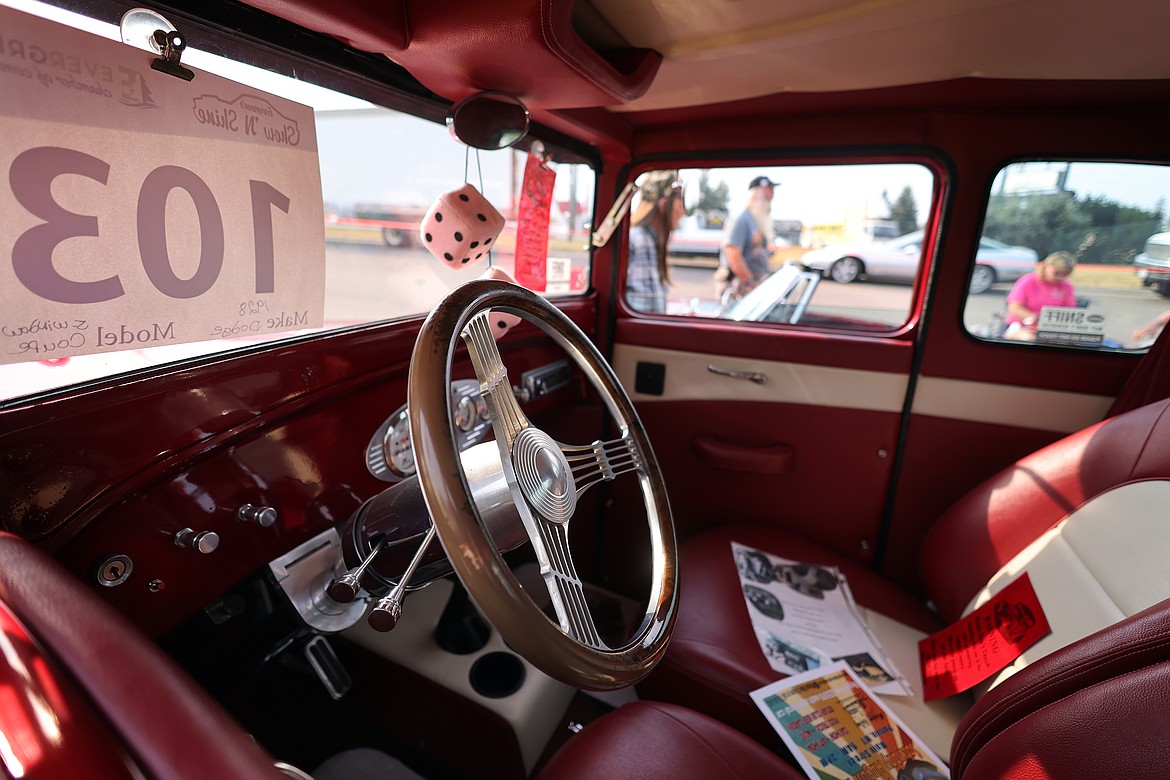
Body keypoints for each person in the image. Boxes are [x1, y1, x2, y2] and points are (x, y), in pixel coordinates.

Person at [626, 170, 685, 314]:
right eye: (680, 203)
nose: (682, 212)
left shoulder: (652, 242)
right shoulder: (635, 241)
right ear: (663, 204)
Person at [716, 175, 776, 302]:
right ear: (756, 194)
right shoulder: (741, 218)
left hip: (746, 287)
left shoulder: (756, 219)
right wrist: (750, 283)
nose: (771, 196)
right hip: (737, 287)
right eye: (768, 192)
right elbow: (733, 253)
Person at [1003, 251, 1078, 341]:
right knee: (1030, 339)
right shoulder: (1028, 281)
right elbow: (1014, 308)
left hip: (1051, 328)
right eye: (1056, 273)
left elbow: (1069, 311)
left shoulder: (1066, 286)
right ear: (1046, 267)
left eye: (1065, 275)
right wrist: (1037, 320)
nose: (1060, 278)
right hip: (1021, 324)